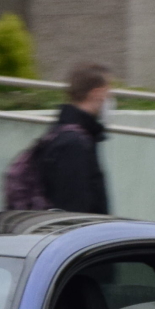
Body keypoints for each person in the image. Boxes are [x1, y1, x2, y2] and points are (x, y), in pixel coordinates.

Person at [33, 61, 113, 213]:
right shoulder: (74, 144)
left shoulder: (68, 134)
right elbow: (73, 213)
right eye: (108, 93)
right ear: (96, 93)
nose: (110, 100)